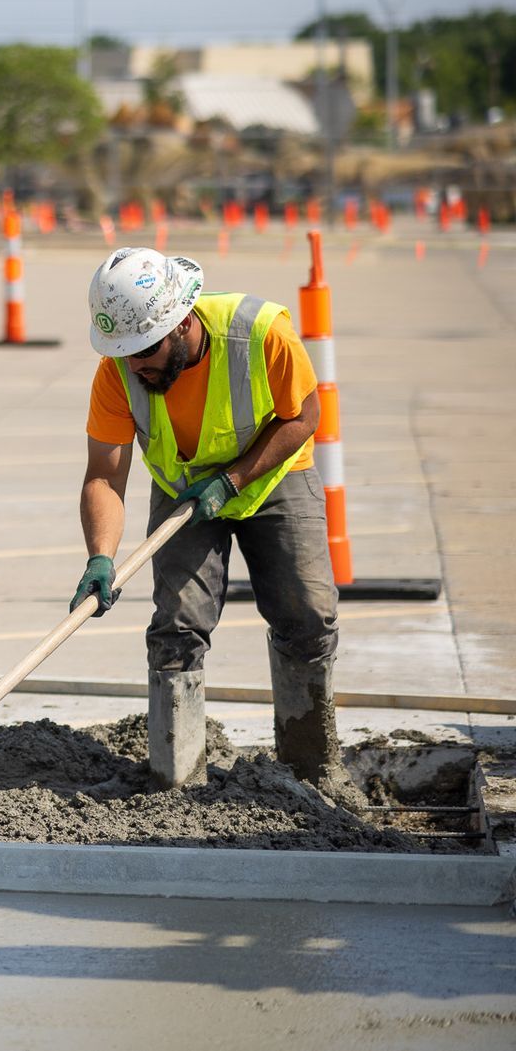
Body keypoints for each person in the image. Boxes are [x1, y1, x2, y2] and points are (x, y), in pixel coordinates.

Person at [73, 247, 344, 790]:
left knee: (308, 617)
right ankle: (177, 779)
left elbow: (305, 415)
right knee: (176, 627)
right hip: (183, 494)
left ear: (181, 322)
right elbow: (104, 475)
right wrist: (100, 557)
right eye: (124, 353)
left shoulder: (262, 332)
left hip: (273, 476)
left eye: (145, 349)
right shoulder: (119, 373)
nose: (135, 365)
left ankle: (312, 771)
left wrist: (233, 480)